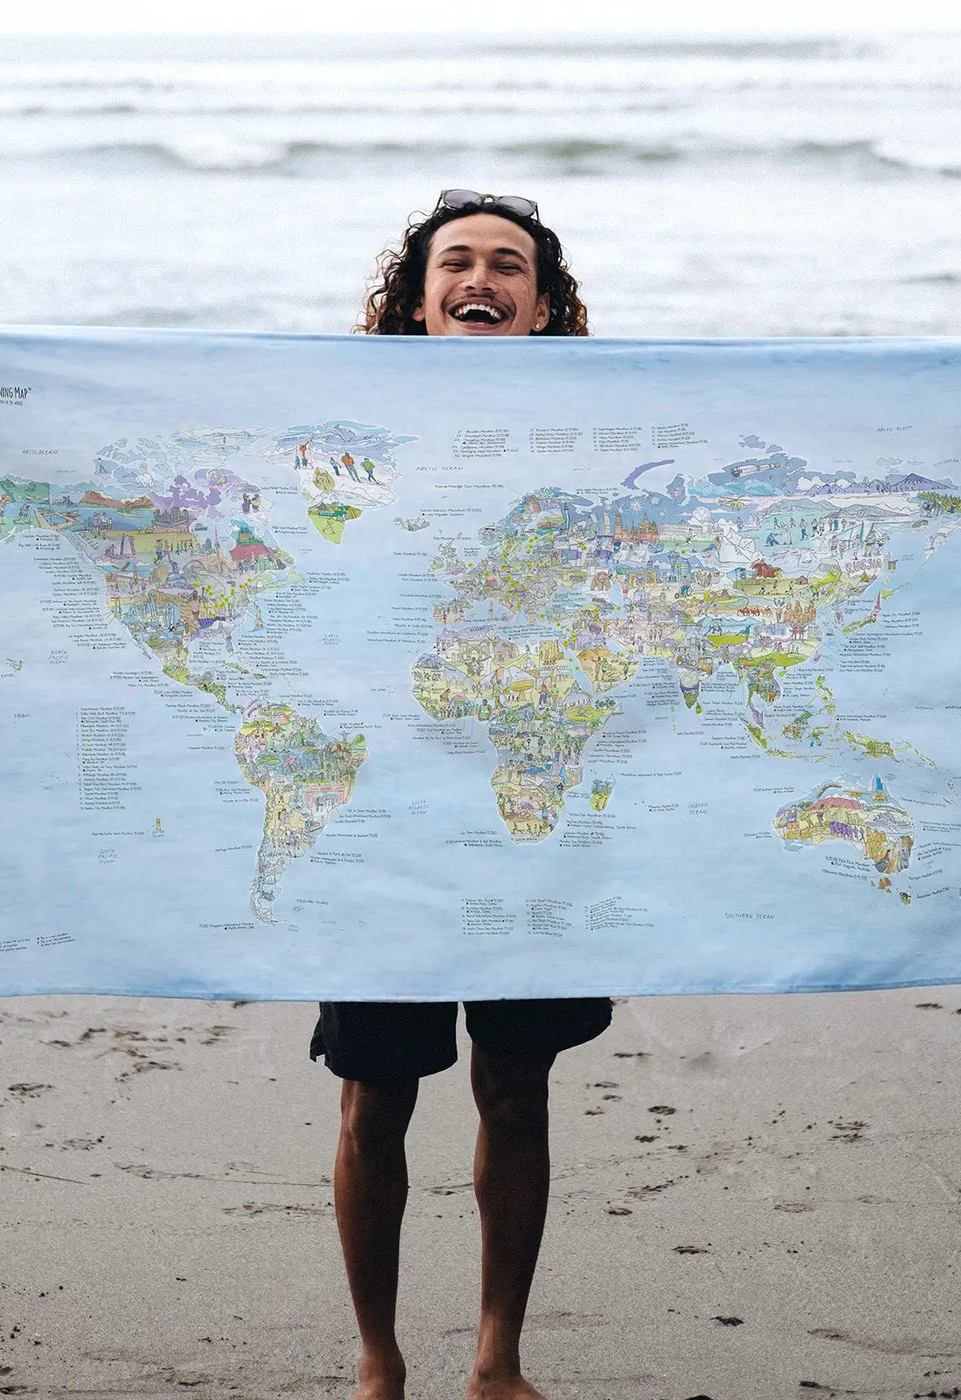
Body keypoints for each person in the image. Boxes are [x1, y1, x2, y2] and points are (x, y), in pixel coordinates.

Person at [309, 190, 601, 1400]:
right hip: (387, 811)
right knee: (378, 1090)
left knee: (515, 1088)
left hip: (532, 795)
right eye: (457, 262)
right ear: (416, 296)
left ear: (539, 308)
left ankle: (498, 1356)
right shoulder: (346, 426)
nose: (482, 278)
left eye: (509, 266)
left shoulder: (589, 430)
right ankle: (379, 1359)